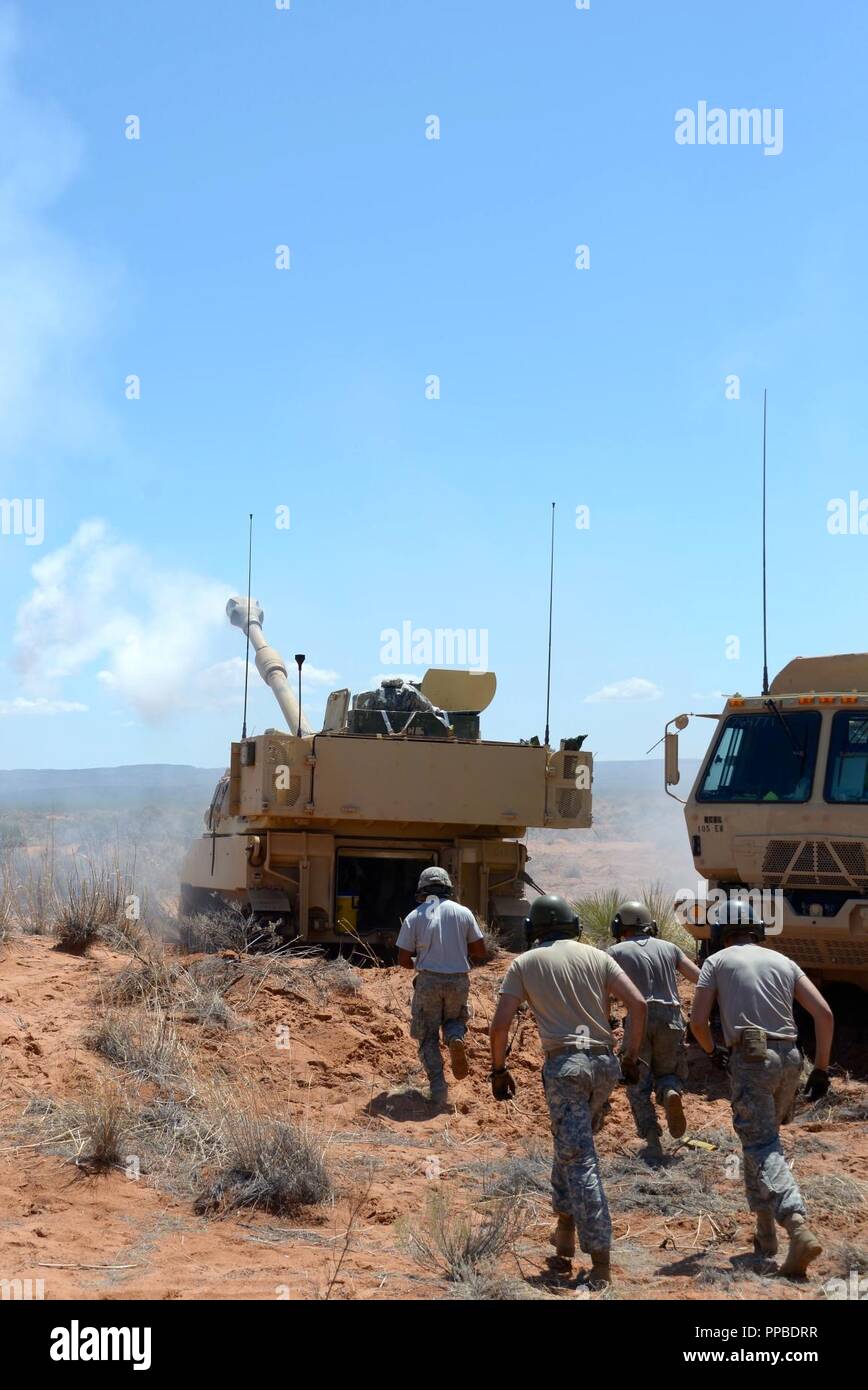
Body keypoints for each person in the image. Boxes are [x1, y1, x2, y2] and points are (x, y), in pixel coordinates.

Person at [489, 894, 647, 1288]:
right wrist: (629, 1056)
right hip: (603, 1065)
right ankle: (564, 1230)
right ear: (573, 924)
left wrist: (498, 1069)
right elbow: (638, 1005)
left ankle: (601, 1262)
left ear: (533, 929)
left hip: (566, 1069)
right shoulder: (597, 957)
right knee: (571, 1143)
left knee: (581, 1161)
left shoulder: (524, 964)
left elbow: (499, 1025)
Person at [690, 899, 834, 1277]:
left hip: (751, 1058)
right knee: (761, 1141)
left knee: (760, 1145)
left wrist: (712, 1052)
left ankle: (796, 1224)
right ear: (758, 930)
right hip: (791, 1058)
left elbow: (698, 1021)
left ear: (721, 933)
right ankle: (765, 1233)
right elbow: (824, 1014)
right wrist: (819, 1069)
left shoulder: (716, 962)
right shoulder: (784, 961)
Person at [608, 900, 700, 1159]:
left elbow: (602, 989)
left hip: (638, 1019)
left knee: (635, 1081)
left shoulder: (615, 952)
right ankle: (669, 1091)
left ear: (619, 926)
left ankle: (651, 1138)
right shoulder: (670, 948)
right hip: (671, 1017)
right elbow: (700, 979)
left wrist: (606, 1020)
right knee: (668, 1071)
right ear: (651, 925)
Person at [396, 866, 486, 1106]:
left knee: (427, 1035)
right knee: (455, 1018)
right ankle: (455, 1036)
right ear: (448, 887)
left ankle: (438, 1088)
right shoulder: (463, 912)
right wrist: (457, 955)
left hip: (428, 981)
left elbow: (403, 960)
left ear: (422, 890)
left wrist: (423, 960)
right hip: (458, 979)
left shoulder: (415, 916)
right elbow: (480, 950)